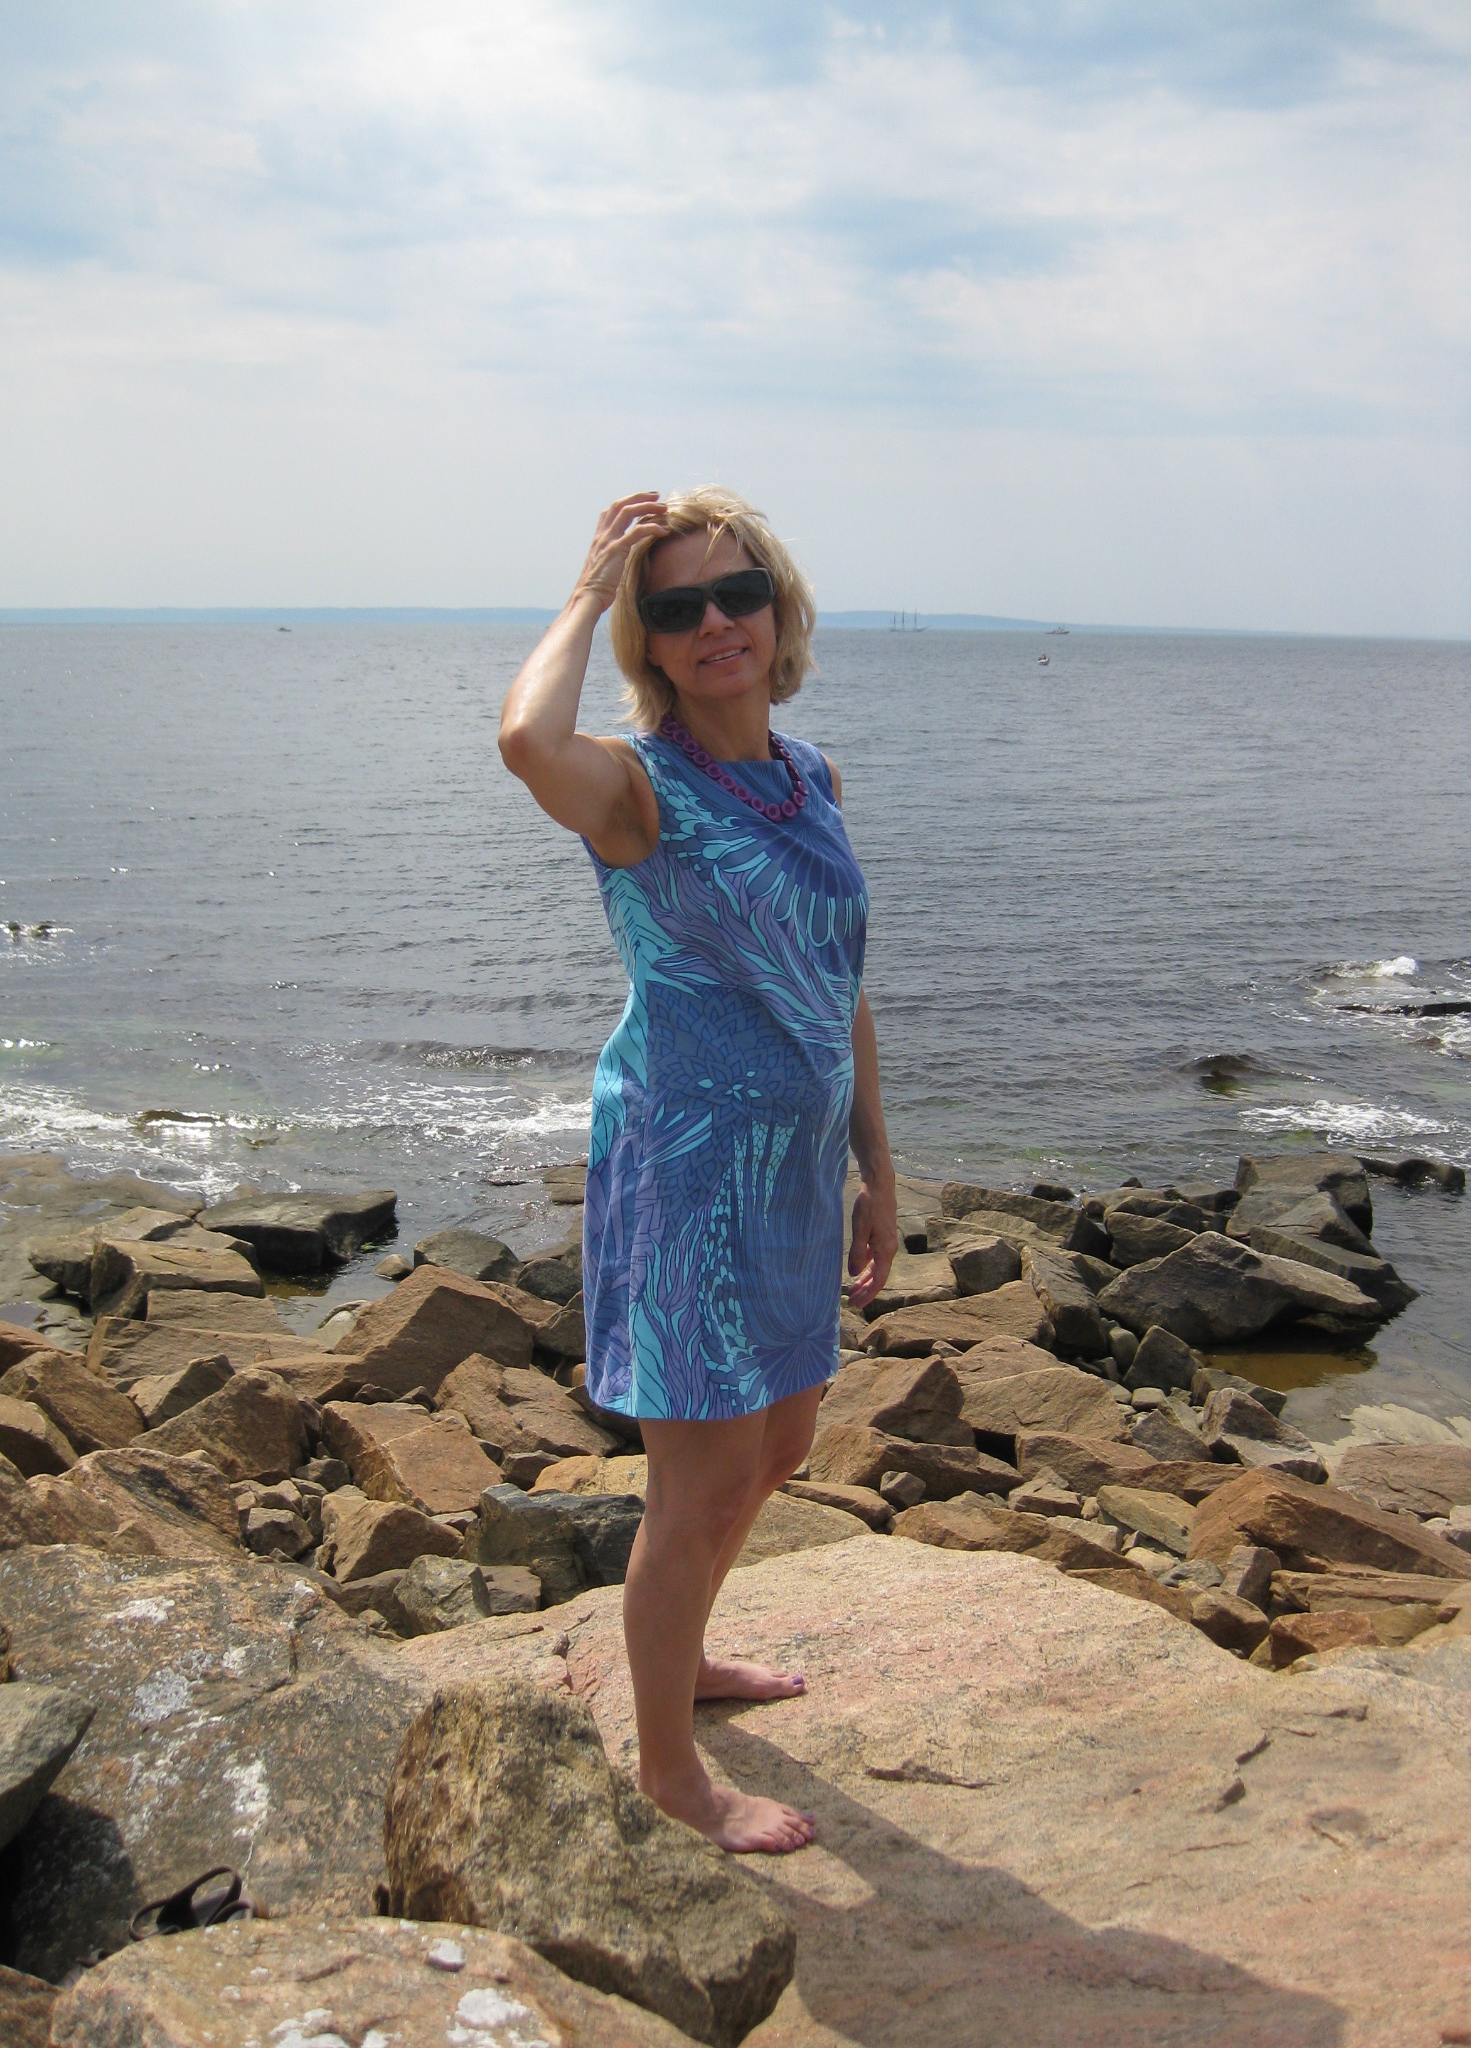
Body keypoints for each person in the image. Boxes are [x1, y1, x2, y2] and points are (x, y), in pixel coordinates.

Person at [498, 487, 898, 1854]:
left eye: (739, 593)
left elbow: (839, 981)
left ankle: (688, 1657)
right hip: (690, 1171)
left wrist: (877, 1167)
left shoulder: (810, 778)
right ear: (648, 642)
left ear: (780, 609)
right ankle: (671, 1773)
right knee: (701, 1481)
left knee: (779, 1447)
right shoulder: (634, 791)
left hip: (797, 1173)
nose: (716, 622)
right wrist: (586, 585)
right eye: (676, 608)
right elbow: (524, 739)